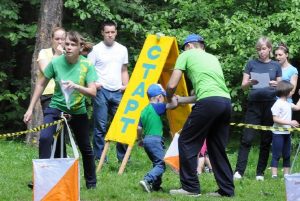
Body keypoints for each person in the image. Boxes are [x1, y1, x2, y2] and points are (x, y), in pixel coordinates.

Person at [23, 31, 98, 189]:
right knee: (44, 139)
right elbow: (41, 84)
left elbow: (93, 92)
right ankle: (43, 179)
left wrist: (76, 86)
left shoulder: (87, 65)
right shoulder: (56, 62)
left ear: (80, 47)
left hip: (78, 110)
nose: (69, 47)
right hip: (55, 107)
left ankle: (91, 184)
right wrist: (30, 108)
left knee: (85, 147)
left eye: (73, 44)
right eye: (67, 44)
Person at [166, 34, 234, 197]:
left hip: (209, 103)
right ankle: (226, 190)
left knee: (186, 140)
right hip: (225, 102)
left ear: (189, 46)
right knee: (216, 147)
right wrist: (181, 100)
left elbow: (172, 84)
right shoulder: (212, 58)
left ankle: (190, 188)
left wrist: (170, 99)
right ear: (201, 46)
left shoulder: (186, 54)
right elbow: (205, 93)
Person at [234, 37, 282, 181]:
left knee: (266, 139)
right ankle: (239, 171)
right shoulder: (251, 63)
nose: (261, 52)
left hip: (270, 104)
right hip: (254, 104)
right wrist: (249, 82)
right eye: (259, 49)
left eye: (264, 49)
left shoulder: (276, 65)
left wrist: (275, 84)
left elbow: (281, 87)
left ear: (269, 49)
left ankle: (260, 173)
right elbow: (243, 86)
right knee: (247, 138)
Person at [88, 20, 129, 162]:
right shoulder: (95, 49)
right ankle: (99, 158)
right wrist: (94, 84)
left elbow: (124, 70)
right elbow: (88, 70)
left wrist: (126, 87)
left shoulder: (122, 49)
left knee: (123, 125)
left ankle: (123, 158)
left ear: (116, 32)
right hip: (101, 91)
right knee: (100, 126)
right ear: (102, 33)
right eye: (107, 32)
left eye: (112, 32)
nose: (110, 35)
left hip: (118, 91)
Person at [138, 84, 177, 193]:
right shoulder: (158, 107)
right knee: (161, 165)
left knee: (157, 163)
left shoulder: (144, 110)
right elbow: (174, 103)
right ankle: (147, 179)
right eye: (163, 96)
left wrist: (140, 139)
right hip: (155, 140)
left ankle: (156, 186)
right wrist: (167, 92)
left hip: (146, 140)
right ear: (159, 97)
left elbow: (139, 128)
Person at [271, 80, 300, 178]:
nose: (292, 92)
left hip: (287, 133)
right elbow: (275, 119)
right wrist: (290, 123)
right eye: (291, 91)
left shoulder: (288, 103)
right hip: (278, 133)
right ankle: (274, 175)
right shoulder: (277, 103)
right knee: (276, 154)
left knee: (287, 154)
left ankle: (286, 175)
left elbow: (297, 108)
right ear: (286, 92)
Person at [37, 27, 66, 111]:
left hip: (66, 94)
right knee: (51, 123)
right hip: (49, 94)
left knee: (66, 123)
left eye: (62, 39)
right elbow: (46, 71)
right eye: (57, 39)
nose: (60, 42)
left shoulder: (69, 55)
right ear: (52, 39)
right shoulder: (44, 52)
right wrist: (57, 54)